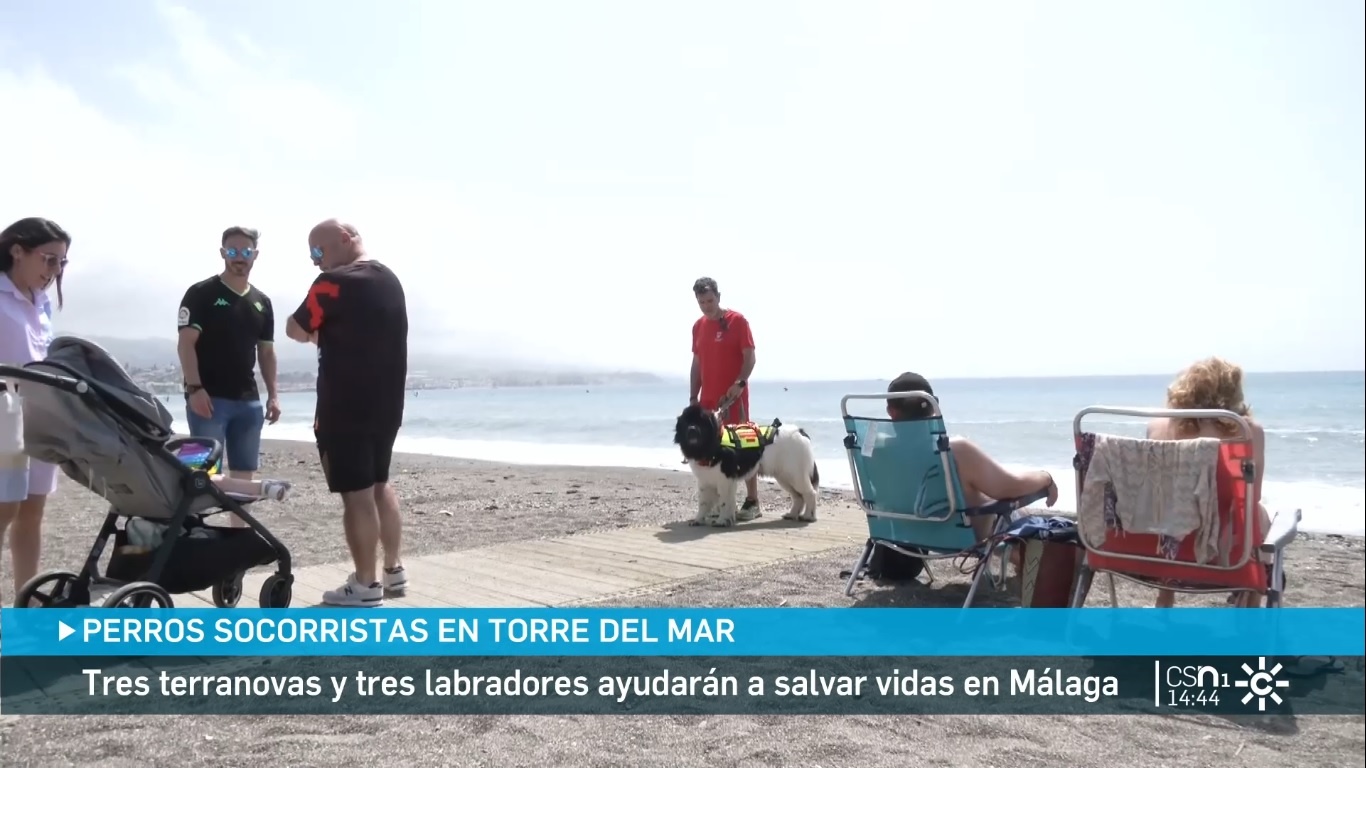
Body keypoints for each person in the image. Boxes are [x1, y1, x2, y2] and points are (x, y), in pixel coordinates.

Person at [285, 220, 408, 607]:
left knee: (355, 497)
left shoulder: (334, 284)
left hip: (344, 405)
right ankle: (392, 569)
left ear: (346, 238)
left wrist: (316, 335)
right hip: (387, 404)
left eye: (318, 252)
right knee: (379, 484)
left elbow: (293, 326)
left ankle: (365, 584)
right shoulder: (390, 280)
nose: (316, 263)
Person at [176, 226, 281, 528]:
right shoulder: (201, 294)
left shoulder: (262, 301)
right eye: (232, 251)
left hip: (248, 403)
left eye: (246, 252)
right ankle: (195, 536)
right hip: (208, 399)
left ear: (255, 256)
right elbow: (186, 344)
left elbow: (266, 353)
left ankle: (237, 546)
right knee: (201, 475)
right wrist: (195, 388)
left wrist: (273, 394)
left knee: (244, 475)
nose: (239, 258)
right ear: (222, 253)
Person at [1147, 356, 1272, 608]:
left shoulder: (1157, 427)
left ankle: (1165, 596)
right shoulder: (1248, 432)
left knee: (1173, 505)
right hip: (1226, 556)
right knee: (1260, 513)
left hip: (1164, 551)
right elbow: (1251, 497)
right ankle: (1250, 602)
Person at [885, 372, 1058, 541]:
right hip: (964, 535)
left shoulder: (880, 451)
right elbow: (1009, 486)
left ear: (891, 412)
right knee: (1043, 531)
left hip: (907, 535)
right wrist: (1046, 478)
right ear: (933, 407)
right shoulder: (955, 451)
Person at [0, 217, 69, 603]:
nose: (54, 271)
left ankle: (25, 605)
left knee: (32, 513)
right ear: (17, 251)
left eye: (61, 263)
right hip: (2, 412)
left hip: (41, 413)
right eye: (48, 260)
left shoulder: (42, 303)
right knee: (3, 511)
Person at [689, 276, 762, 521]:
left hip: (734, 398)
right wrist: (693, 397)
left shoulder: (737, 321)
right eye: (702, 302)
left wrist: (740, 383)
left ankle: (752, 501)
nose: (707, 306)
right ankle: (717, 504)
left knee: (744, 446)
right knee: (711, 454)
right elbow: (697, 363)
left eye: (710, 300)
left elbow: (750, 357)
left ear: (718, 297)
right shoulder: (698, 326)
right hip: (708, 403)